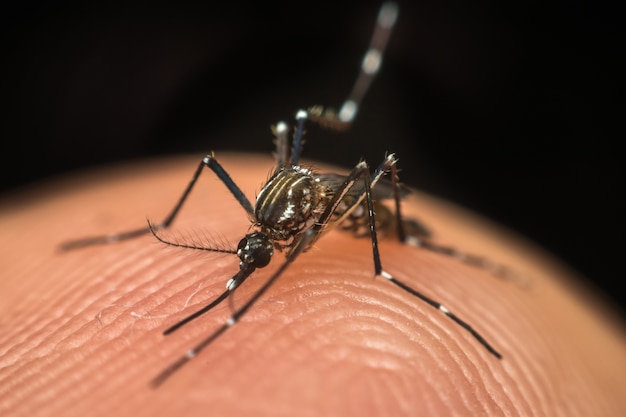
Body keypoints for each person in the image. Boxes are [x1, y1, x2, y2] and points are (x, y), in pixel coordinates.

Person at [1, 154, 625, 416]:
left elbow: (348, 187)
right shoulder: (260, 228)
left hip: (355, 205)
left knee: (366, 182)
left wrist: (235, 316)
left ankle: (396, 258)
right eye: (252, 253)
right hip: (307, 201)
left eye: (253, 256)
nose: (248, 258)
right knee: (213, 158)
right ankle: (155, 233)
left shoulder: (296, 231)